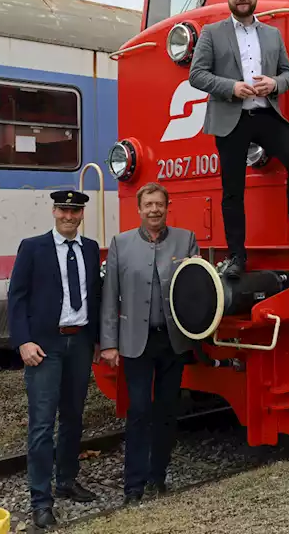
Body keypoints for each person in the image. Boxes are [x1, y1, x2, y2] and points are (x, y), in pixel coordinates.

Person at [189, 0, 289, 278]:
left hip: (265, 113)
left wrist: (274, 84)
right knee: (233, 190)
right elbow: (196, 75)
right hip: (230, 118)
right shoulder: (212, 33)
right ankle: (237, 255)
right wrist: (232, 87)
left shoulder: (272, 35)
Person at [6, 190, 103, 530]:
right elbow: (16, 297)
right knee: (42, 425)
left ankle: (66, 481)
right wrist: (23, 342)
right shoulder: (32, 247)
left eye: (75, 212)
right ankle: (40, 500)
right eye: (63, 210)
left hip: (79, 344)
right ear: (54, 211)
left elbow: (97, 297)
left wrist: (99, 341)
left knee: (74, 417)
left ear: (81, 216)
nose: (69, 216)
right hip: (43, 347)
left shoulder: (89, 249)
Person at [99, 183, 198, 505]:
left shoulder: (186, 240)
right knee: (139, 411)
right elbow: (109, 297)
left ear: (167, 207)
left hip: (173, 341)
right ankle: (134, 486)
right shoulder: (120, 243)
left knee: (168, 411)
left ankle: (158, 476)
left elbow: (195, 289)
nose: (154, 210)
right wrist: (108, 344)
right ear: (139, 209)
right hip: (134, 344)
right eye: (148, 205)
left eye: (159, 204)